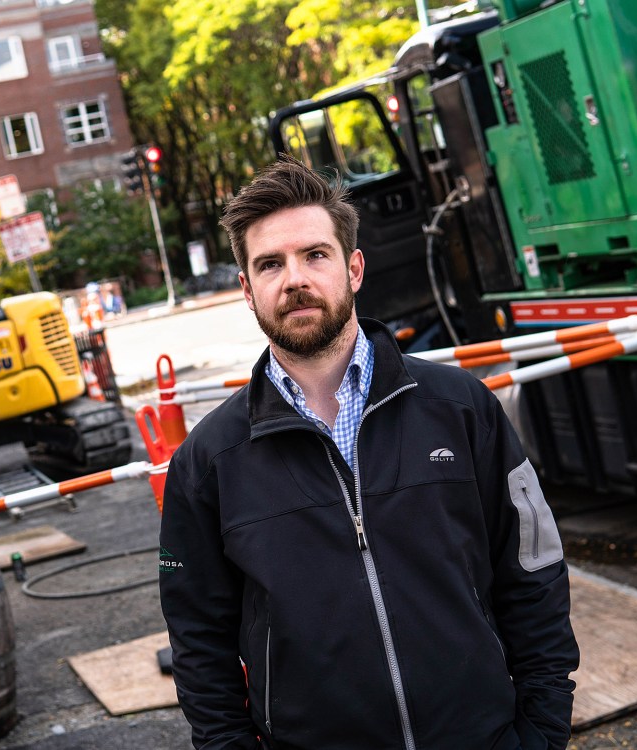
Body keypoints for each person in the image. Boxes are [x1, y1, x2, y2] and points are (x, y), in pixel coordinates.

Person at [158, 157, 579, 750]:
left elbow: (533, 570)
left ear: (354, 267)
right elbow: (199, 644)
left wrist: (541, 731)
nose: (295, 278)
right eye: (270, 264)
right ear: (247, 290)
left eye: (315, 255)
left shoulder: (462, 410)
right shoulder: (208, 464)